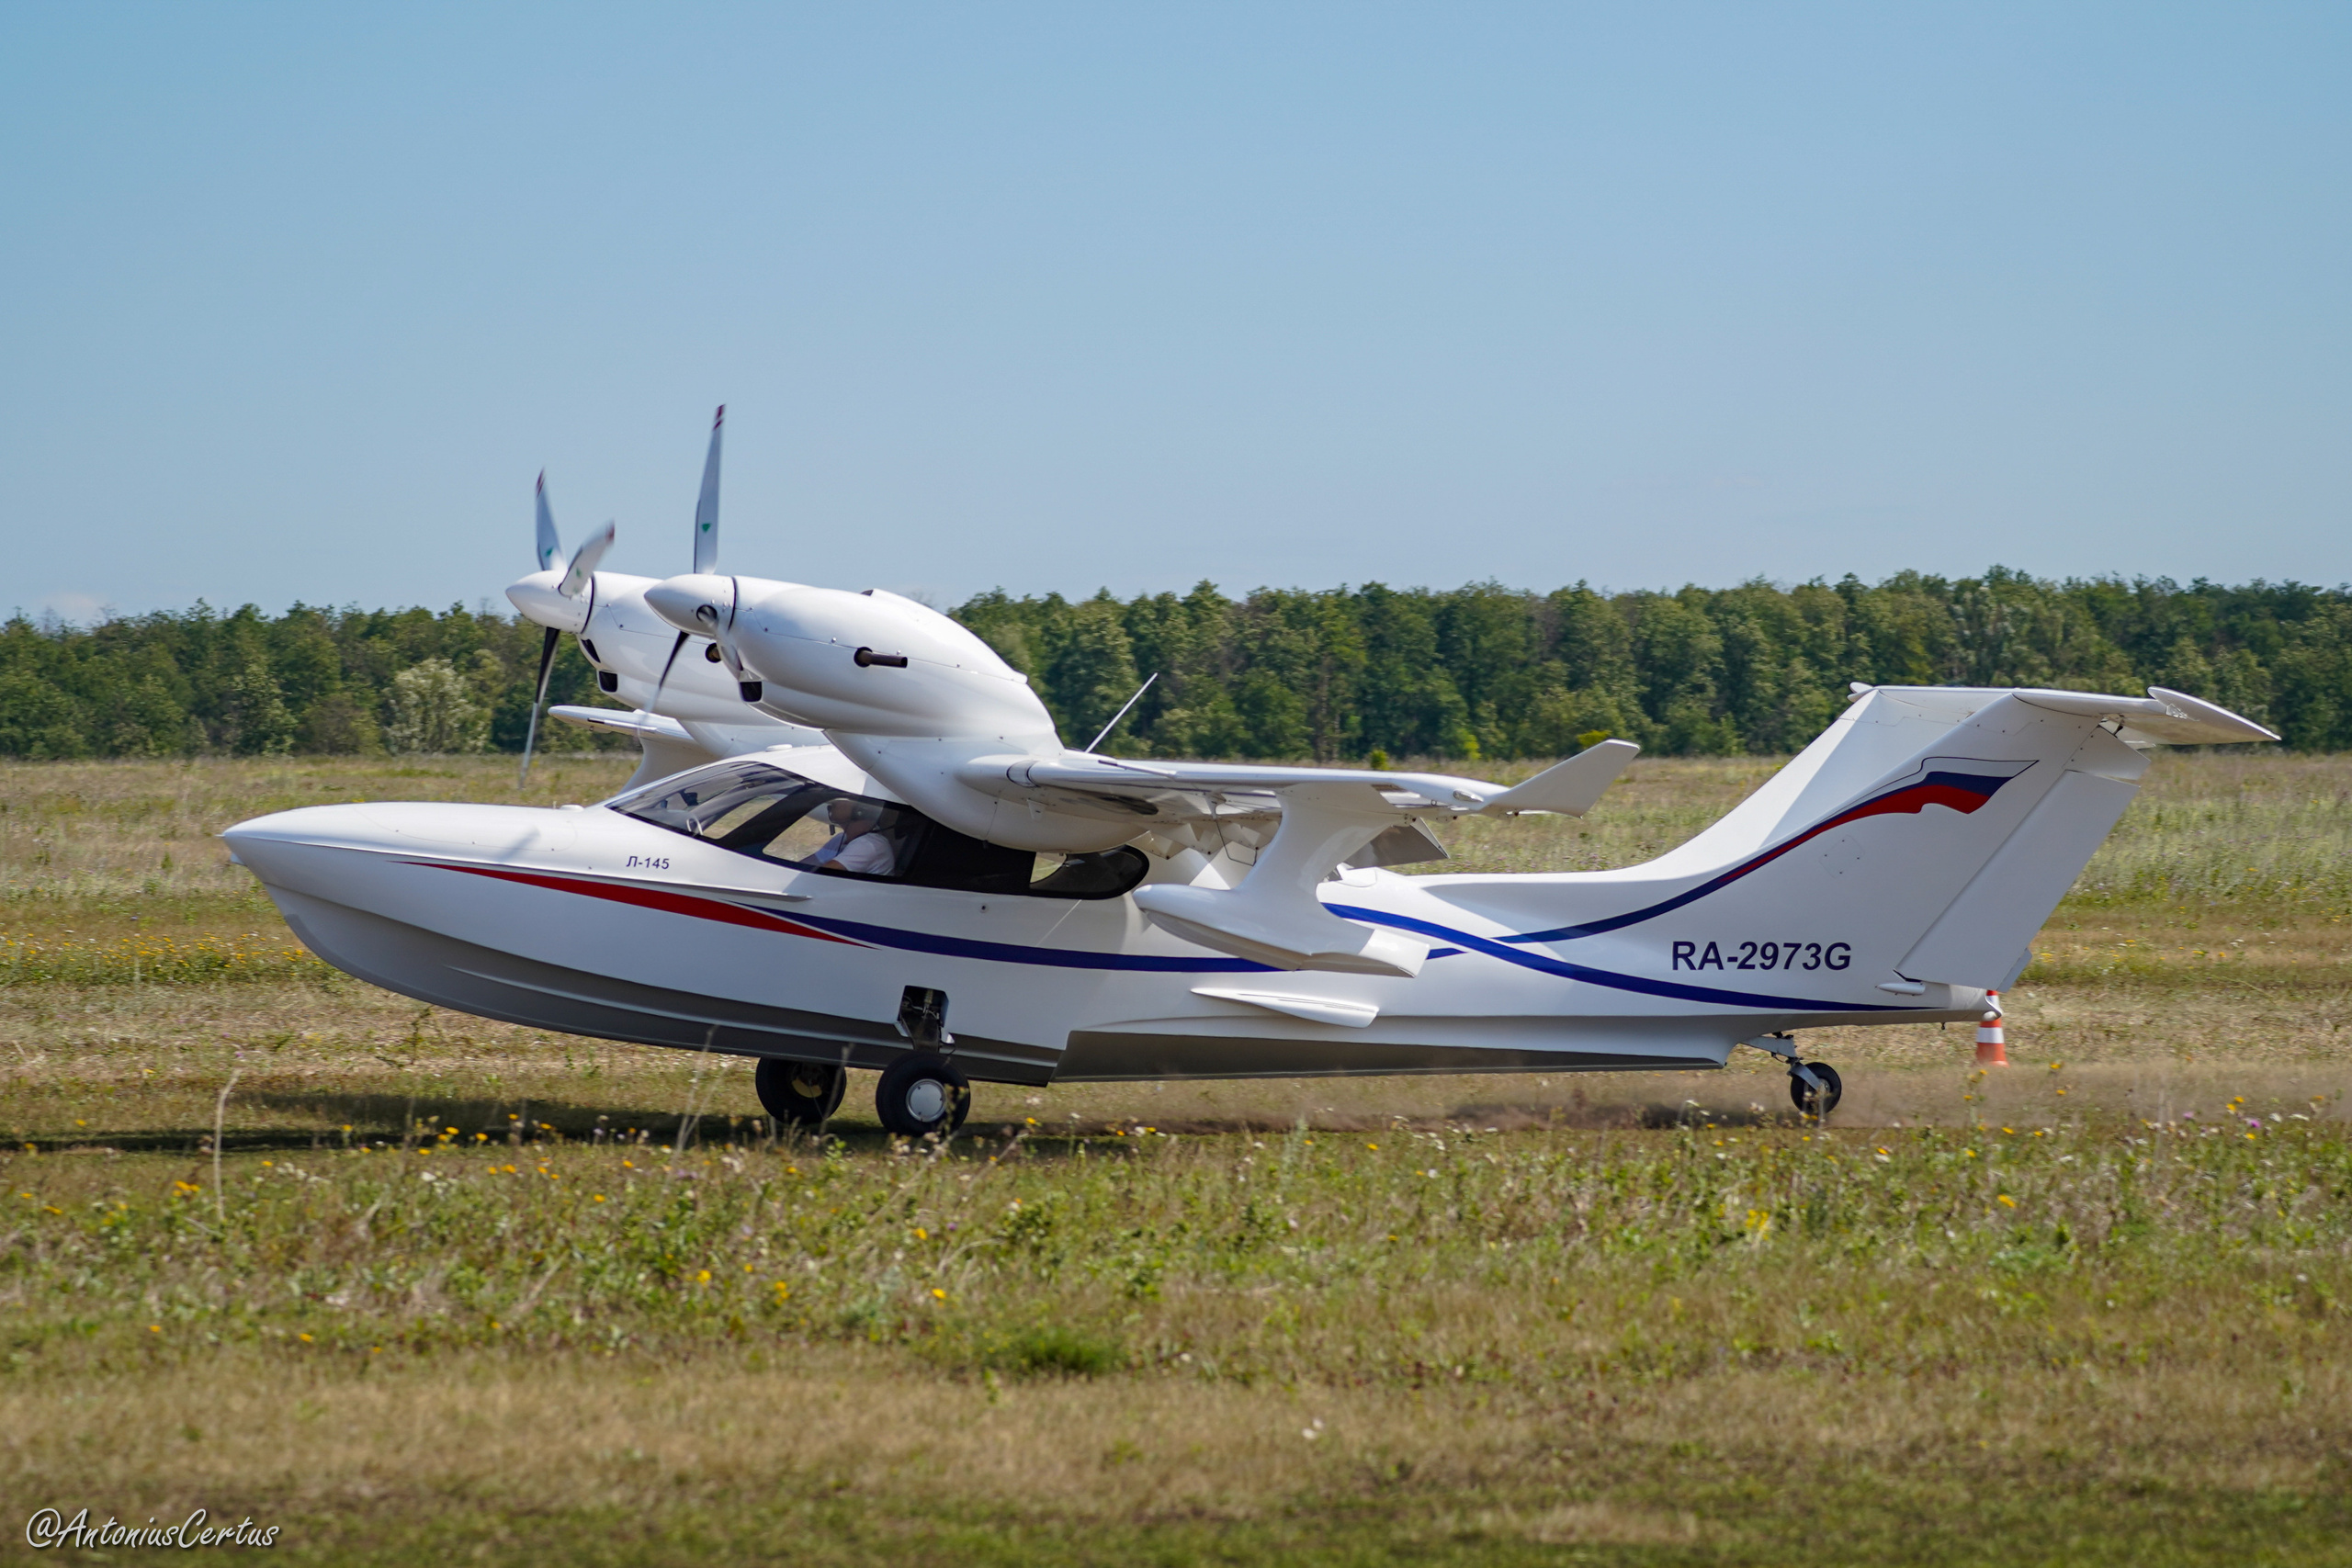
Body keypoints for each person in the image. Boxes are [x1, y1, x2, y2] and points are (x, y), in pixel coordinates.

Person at [805, 797, 896, 876]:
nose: (833, 803)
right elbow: (809, 863)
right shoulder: (840, 838)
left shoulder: (869, 845)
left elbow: (821, 874)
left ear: (860, 810)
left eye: (842, 801)